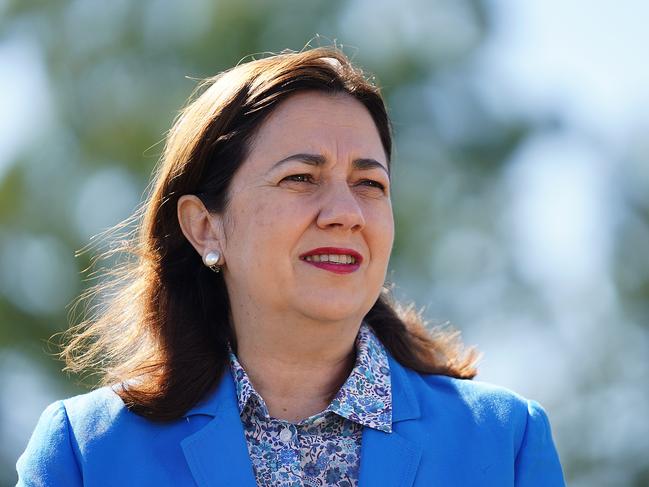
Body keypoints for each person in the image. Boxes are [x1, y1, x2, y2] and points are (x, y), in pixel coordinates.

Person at [16, 46, 565, 486]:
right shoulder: (86, 452)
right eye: (301, 178)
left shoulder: (505, 442)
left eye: (369, 184)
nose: (346, 213)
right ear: (206, 226)